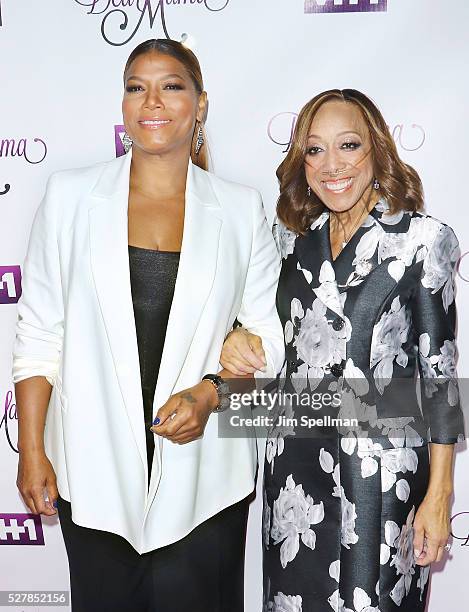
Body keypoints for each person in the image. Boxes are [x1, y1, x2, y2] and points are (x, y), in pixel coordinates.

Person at [12, 38, 284, 612]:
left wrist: (211, 395)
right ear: (123, 103)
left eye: (172, 86)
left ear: (201, 105)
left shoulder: (241, 208)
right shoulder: (67, 197)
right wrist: (31, 450)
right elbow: (39, 334)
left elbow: (268, 342)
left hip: (206, 479)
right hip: (92, 471)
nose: (152, 101)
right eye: (137, 86)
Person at [221, 88, 465, 611]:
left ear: (376, 150)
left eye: (348, 145)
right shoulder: (286, 242)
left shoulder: (424, 241)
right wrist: (237, 336)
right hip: (293, 483)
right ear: (301, 163)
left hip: (378, 475)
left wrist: (440, 494)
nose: (332, 165)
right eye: (314, 150)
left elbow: (439, 377)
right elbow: (257, 328)